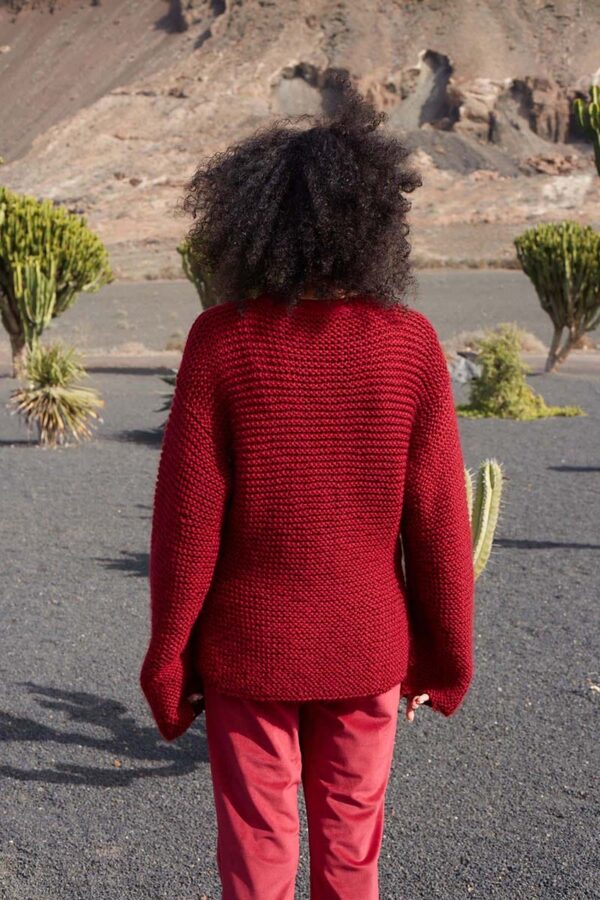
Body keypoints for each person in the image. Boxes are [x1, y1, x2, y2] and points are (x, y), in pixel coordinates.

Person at [139, 67, 475, 899]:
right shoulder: (410, 344)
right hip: (367, 649)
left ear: (249, 222)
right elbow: (439, 525)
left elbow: (186, 527)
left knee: (257, 854)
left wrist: (169, 663)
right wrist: (442, 660)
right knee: (352, 852)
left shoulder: (220, 342)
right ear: (377, 222)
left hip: (248, 651)